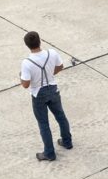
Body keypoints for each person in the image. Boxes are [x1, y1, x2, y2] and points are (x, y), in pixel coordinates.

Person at [20, 31, 72, 162]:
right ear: (40, 41)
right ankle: (67, 141)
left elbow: (25, 84)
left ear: (27, 45)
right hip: (53, 89)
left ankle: (49, 153)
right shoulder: (52, 53)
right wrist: (50, 74)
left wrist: (21, 77)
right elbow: (60, 66)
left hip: (38, 94)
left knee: (43, 124)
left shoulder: (27, 63)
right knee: (61, 116)